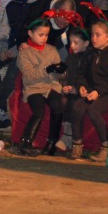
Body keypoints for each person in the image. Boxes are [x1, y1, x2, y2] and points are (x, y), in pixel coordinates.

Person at [64, 21, 108, 162]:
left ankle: (106, 147)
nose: (94, 38)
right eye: (92, 34)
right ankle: (77, 144)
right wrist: (82, 86)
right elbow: (82, 74)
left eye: (98, 35)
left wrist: (98, 92)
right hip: (91, 91)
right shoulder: (90, 54)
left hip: (107, 93)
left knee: (94, 110)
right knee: (77, 107)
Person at [15, 18, 66, 157]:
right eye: (41, 35)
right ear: (30, 33)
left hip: (51, 86)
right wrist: (46, 69)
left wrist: (61, 71)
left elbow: (58, 71)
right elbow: (30, 76)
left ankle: (52, 143)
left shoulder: (52, 49)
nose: (44, 38)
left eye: (47, 35)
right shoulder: (24, 52)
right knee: (39, 110)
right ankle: (25, 142)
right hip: (34, 88)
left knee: (58, 106)